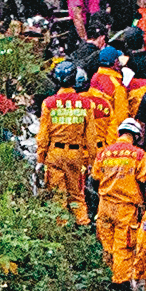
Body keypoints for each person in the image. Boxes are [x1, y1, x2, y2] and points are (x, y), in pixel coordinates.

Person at [92, 120, 146, 289]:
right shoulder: (138, 154)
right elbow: (143, 180)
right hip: (126, 208)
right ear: (136, 136)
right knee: (123, 248)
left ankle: (107, 278)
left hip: (105, 205)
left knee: (107, 245)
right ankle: (120, 285)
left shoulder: (103, 153)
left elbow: (95, 179)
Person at [39, 64, 96, 222]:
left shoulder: (49, 104)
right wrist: (92, 160)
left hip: (54, 154)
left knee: (58, 199)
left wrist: (40, 158)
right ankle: (83, 229)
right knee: (77, 197)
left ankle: (62, 236)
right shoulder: (86, 104)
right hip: (75, 155)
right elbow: (91, 137)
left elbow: (43, 136)